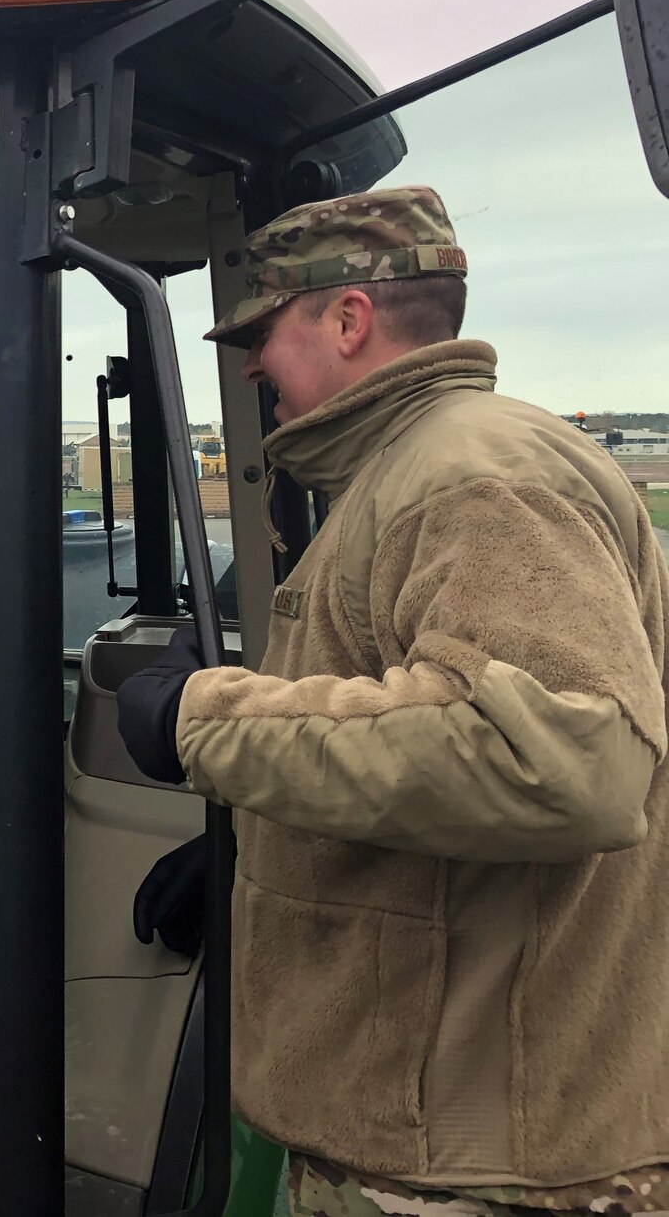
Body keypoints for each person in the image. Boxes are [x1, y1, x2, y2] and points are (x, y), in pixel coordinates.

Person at [116, 188, 669, 1217]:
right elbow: (420, 733)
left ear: (346, 319)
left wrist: (201, 719)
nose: (248, 366)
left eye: (261, 331)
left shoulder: (468, 472)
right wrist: (261, 839)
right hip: (436, 1134)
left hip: (470, 1171)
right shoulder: (413, 470)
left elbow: (555, 762)